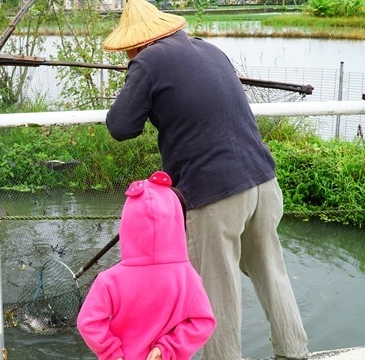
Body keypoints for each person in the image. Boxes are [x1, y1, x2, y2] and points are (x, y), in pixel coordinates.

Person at [101, 0, 310, 359]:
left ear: (134, 44)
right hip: (262, 180)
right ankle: (295, 353)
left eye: (128, 52)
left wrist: (137, 84)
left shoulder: (146, 63)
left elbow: (120, 127)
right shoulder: (210, 50)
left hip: (215, 195)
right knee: (272, 273)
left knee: (216, 292)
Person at [77, 170, 216, 360]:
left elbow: (88, 323)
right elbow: (203, 321)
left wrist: (111, 352)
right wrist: (168, 348)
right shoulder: (187, 277)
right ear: (176, 221)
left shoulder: (108, 281)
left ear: (127, 223)